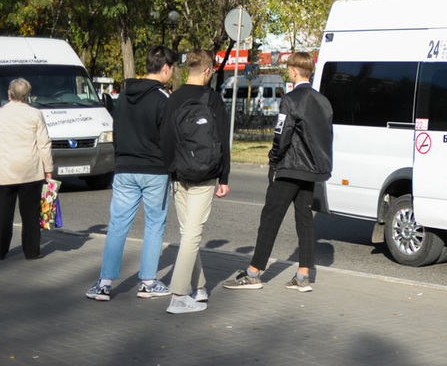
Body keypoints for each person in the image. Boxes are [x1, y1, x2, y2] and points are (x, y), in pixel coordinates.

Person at [222, 52, 332, 293]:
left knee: (269, 219)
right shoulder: (323, 101)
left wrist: (273, 159)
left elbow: (282, 135)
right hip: (312, 170)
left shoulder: (290, 100)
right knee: (304, 221)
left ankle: (253, 273)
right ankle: (303, 276)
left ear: (294, 70)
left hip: (290, 168)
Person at [86, 45, 179, 301]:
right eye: (172, 69)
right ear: (164, 68)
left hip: (125, 168)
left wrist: (120, 159)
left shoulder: (124, 95)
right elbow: (169, 139)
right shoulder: (164, 99)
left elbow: (117, 131)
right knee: (154, 226)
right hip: (154, 170)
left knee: (117, 225)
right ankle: (148, 281)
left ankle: (104, 283)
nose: (171, 74)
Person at [160, 49, 231, 314]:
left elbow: (165, 141)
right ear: (207, 71)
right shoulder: (212, 99)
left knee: (188, 232)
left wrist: (170, 172)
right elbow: (223, 140)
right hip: (204, 174)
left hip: (179, 175)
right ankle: (178, 295)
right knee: (192, 233)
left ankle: (199, 287)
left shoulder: (173, 99)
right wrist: (224, 176)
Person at [0, 77, 53, 260]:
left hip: (3, 170)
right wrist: (48, 169)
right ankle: (32, 251)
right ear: (28, 96)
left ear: (9, 94)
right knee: (30, 214)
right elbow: (44, 144)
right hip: (30, 170)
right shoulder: (35, 114)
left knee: (2, 215)